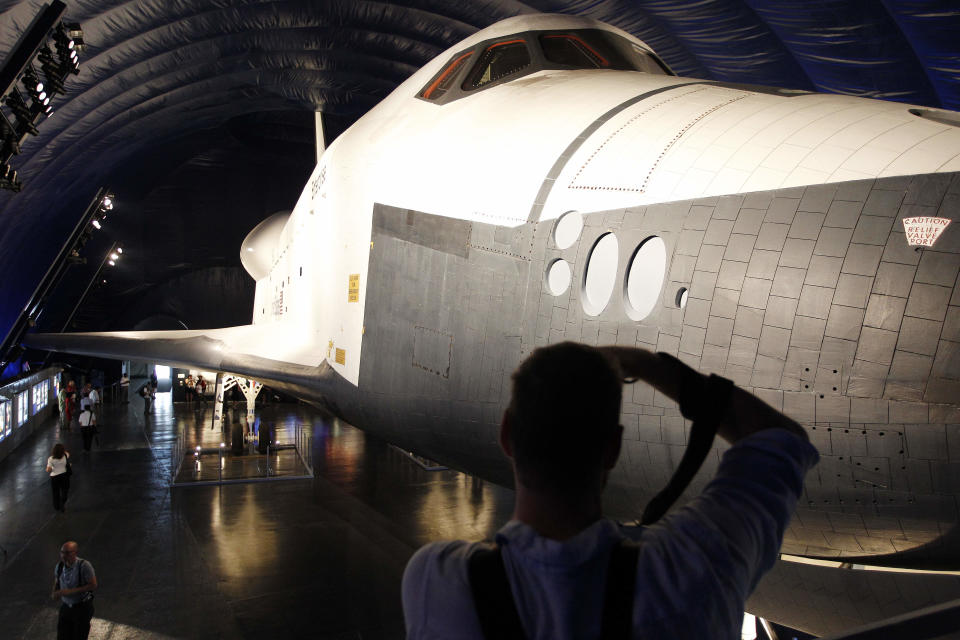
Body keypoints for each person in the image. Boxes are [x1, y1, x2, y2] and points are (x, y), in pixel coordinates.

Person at [402, 342, 819, 639]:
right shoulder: (693, 571)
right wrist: (645, 363)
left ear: (508, 435)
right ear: (613, 448)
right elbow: (780, 439)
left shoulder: (436, 581)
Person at [51, 540, 97, 640]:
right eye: (62, 552)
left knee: (79, 635)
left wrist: (70, 592)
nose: (63, 555)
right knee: (62, 635)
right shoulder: (59, 566)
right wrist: (55, 592)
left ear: (75, 553)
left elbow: (93, 585)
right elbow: (56, 580)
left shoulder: (84, 566)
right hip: (66, 607)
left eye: (67, 553)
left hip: (81, 607)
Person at [46, 443, 71, 513]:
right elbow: (67, 453)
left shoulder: (51, 459)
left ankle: (57, 506)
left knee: (55, 492)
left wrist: (48, 468)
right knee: (65, 490)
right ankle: (63, 501)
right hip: (64, 476)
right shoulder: (65, 456)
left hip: (54, 477)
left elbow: (48, 469)